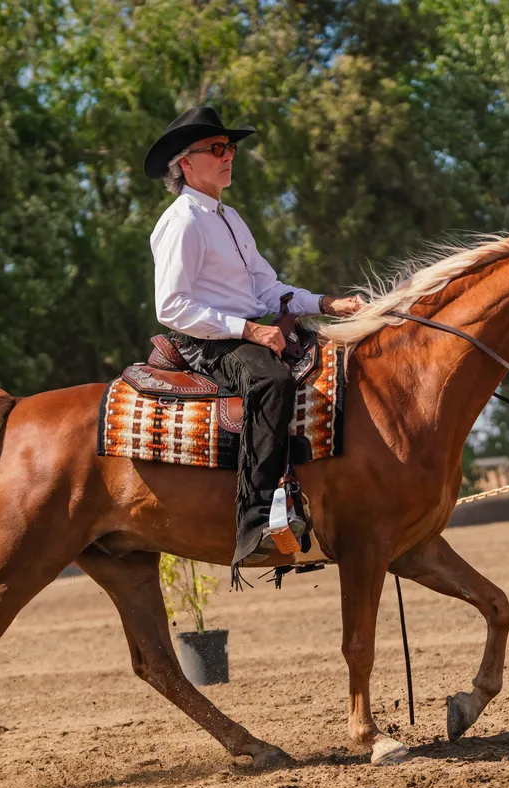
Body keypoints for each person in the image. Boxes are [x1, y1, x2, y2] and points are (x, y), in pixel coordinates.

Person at [143, 106, 363, 579]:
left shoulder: (231, 218)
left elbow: (268, 290)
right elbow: (172, 307)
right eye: (217, 149)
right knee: (271, 381)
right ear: (186, 163)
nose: (228, 156)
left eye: (231, 148)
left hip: (243, 331)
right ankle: (258, 521)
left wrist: (327, 303)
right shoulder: (181, 221)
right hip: (206, 341)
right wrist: (250, 330)